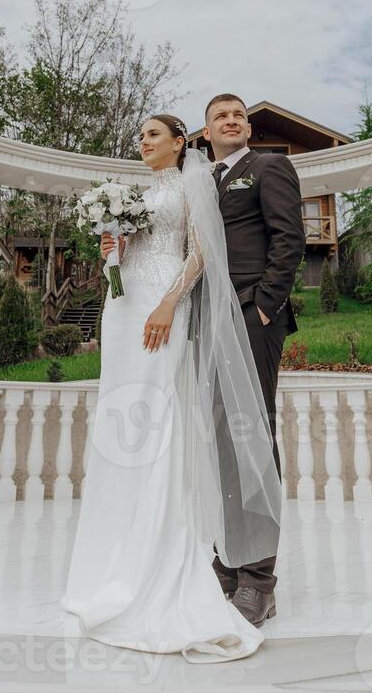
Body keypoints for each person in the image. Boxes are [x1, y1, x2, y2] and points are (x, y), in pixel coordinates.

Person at [60, 114, 283, 663]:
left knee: (156, 419)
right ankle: (117, 559)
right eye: (139, 136)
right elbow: (125, 254)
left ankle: (166, 556)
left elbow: (205, 251)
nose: (143, 142)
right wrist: (111, 247)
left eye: (153, 134)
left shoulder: (192, 182)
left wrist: (168, 303)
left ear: (182, 143)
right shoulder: (136, 191)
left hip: (164, 303)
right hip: (124, 304)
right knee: (123, 420)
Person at [198, 93, 305, 626]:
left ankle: (260, 577)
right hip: (208, 322)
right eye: (222, 115)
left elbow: (290, 238)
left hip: (250, 316)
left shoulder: (269, 165)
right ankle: (229, 557)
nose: (233, 120)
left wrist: (265, 306)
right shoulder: (202, 180)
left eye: (239, 114)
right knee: (219, 438)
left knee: (252, 434)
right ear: (206, 130)